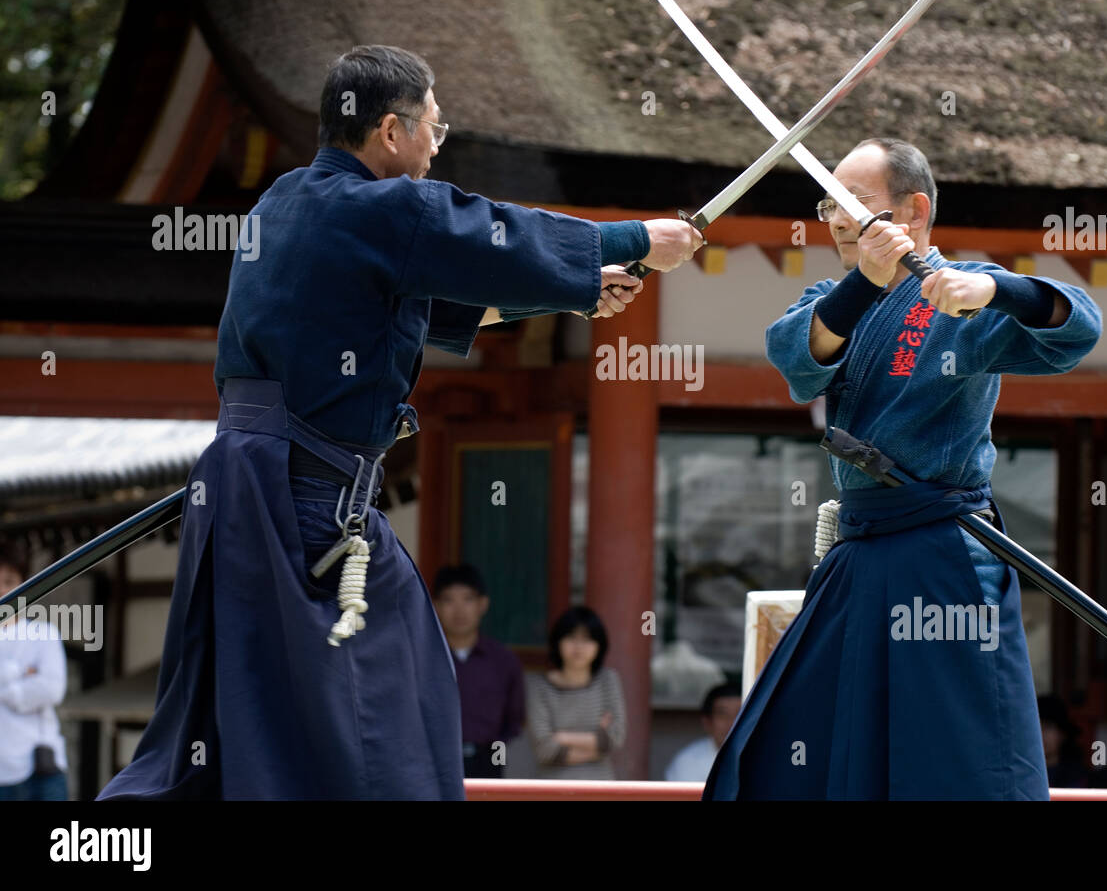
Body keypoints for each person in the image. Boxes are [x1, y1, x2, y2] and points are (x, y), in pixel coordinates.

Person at [99, 45, 701, 800]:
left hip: (251, 489)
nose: (436, 150)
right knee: (388, 705)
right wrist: (635, 238)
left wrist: (577, 289)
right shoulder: (382, 207)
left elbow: (423, 306)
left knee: (236, 711)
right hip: (308, 502)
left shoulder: (285, 203)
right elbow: (485, 231)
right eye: (436, 130)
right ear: (392, 130)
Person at [705, 137, 1103, 800]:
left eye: (852, 204)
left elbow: (1078, 329)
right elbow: (796, 358)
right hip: (859, 559)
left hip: (945, 558)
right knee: (793, 754)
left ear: (912, 212)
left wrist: (994, 287)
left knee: (957, 762)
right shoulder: (836, 299)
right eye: (827, 203)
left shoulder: (963, 296)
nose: (834, 218)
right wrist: (865, 279)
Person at [430, 563, 525, 778]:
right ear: (435, 606)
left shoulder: (503, 660)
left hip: (488, 758)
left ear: (482, 604)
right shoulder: (424, 658)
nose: (459, 609)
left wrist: (496, 762)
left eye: (468, 599)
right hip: (434, 760)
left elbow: (514, 721)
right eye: (448, 600)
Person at [0, 547, 69, 801]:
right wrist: (21, 677)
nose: (2, 590)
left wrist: (9, 688)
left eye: (9, 582)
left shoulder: (43, 632)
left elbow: (52, 688)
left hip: (39, 767)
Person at [525, 606, 626, 779]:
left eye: (587, 639)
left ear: (599, 645)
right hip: (552, 787)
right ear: (558, 642)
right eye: (571, 637)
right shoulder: (538, 686)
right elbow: (544, 749)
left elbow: (615, 737)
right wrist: (597, 743)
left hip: (601, 785)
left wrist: (561, 737)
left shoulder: (607, 680)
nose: (578, 646)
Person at [664, 681, 743, 782]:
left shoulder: (762, 757)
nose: (732, 722)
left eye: (739, 713)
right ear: (707, 722)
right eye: (723, 714)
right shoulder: (688, 762)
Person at [1038, 693, 1088, 788]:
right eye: (1036, 727)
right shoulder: (1021, 773)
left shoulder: (1078, 776)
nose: (1041, 734)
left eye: (1048, 727)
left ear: (1062, 733)